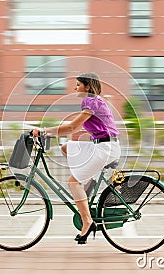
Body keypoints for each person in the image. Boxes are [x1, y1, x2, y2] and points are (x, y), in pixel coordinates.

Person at [33, 72, 121, 245]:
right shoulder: (94, 101)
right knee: (66, 147)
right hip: (103, 145)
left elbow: (72, 127)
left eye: (78, 85)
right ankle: (86, 185)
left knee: (72, 182)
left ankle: (87, 222)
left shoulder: (90, 101)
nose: (75, 88)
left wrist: (44, 131)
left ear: (87, 86)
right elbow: (88, 129)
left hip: (105, 149)